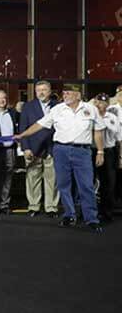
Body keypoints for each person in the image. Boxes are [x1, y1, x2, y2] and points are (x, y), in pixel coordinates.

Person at [15, 84, 105, 233]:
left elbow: (98, 131)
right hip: (61, 150)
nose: (65, 95)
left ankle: (91, 219)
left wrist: (100, 151)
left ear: (78, 95)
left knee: (86, 186)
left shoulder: (91, 109)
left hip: (82, 151)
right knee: (63, 185)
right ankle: (69, 215)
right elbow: (39, 124)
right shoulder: (57, 109)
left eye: (69, 93)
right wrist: (23, 135)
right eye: (64, 93)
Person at [19, 81, 59, 217]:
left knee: (52, 180)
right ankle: (34, 206)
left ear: (50, 91)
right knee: (32, 179)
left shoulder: (59, 107)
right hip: (33, 149)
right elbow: (22, 129)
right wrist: (25, 148)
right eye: (38, 91)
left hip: (52, 148)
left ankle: (51, 207)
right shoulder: (28, 107)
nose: (41, 93)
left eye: (44, 90)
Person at [93, 93, 120, 222]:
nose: (100, 105)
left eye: (103, 102)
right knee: (89, 182)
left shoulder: (112, 117)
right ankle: (90, 211)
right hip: (92, 151)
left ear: (107, 104)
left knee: (108, 183)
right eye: (98, 102)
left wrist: (101, 122)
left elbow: (116, 132)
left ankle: (107, 212)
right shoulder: (90, 115)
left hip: (109, 151)